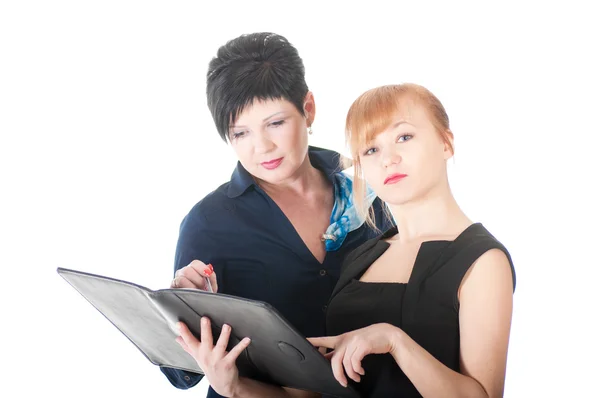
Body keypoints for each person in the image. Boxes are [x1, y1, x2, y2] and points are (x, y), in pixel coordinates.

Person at [161, 32, 393, 398]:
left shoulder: (369, 188)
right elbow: (180, 376)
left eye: (275, 123)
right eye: (240, 133)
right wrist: (186, 310)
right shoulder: (209, 222)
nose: (261, 147)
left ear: (309, 108)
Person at [306, 83, 517, 397]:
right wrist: (236, 385)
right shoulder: (361, 255)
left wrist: (394, 341)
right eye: (371, 149)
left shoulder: (483, 261)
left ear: (446, 143)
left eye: (403, 137)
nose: (388, 159)